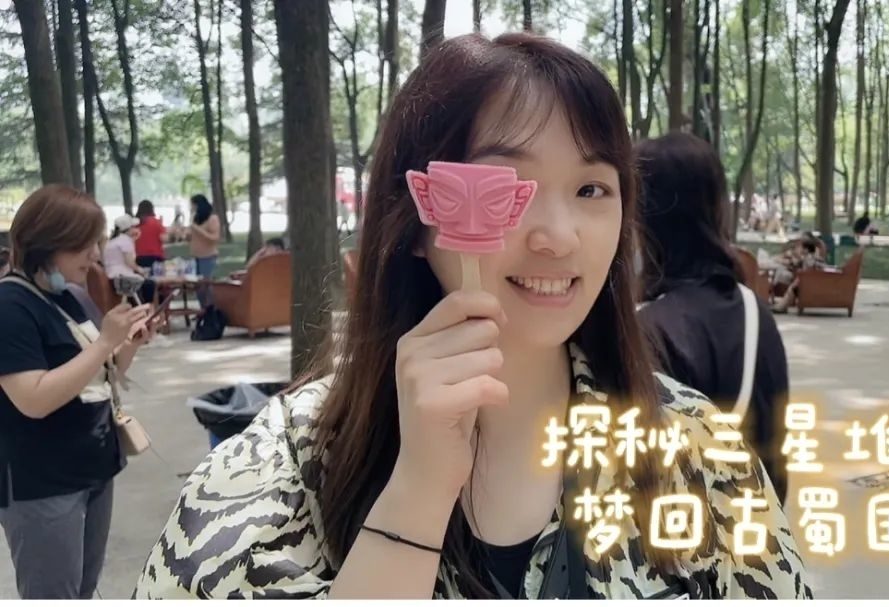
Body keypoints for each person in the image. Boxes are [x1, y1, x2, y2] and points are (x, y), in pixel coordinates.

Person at [133, 33, 810, 600]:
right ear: (417, 217)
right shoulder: (277, 467)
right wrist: (417, 494)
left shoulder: (699, 451)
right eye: (504, 186)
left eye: (591, 188)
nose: (558, 236)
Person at [0, 185, 153, 599]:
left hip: (93, 467)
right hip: (42, 481)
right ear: (46, 243)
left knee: (83, 589)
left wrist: (128, 344)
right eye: (83, 245)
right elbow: (33, 399)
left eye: (96, 242)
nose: (95, 255)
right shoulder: (10, 306)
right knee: (53, 594)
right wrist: (105, 343)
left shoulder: (73, 295)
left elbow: (101, 374)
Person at [634, 132, 791, 504]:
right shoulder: (755, 311)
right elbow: (775, 452)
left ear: (643, 219)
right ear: (716, 211)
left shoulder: (646, 330)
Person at [103, 215, 156, 304]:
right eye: (134, 227)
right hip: (123, 277)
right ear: (129, 229)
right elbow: (129, 262)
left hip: (112, 275)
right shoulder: (125, 240)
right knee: (150, 285)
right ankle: (146, 307)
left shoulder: (113, 240)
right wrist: (141, 270)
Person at [187, 194, 221, 307]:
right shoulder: (195, 219)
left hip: (208, 257)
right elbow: (192, 237)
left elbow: (214, 238)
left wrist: (197, 229)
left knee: (205, 285)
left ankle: (210, 309)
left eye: (193, 205)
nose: (191, 208)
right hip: (195, 257)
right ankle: (203, 308)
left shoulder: (212, 219)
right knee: (197, 285)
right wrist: (187, 234)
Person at [134, 200, 168, 270]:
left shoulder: (135, 224)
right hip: (155, 258)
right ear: (152, 209)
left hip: (138, 258)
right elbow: (164, 239)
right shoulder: (156, 222)